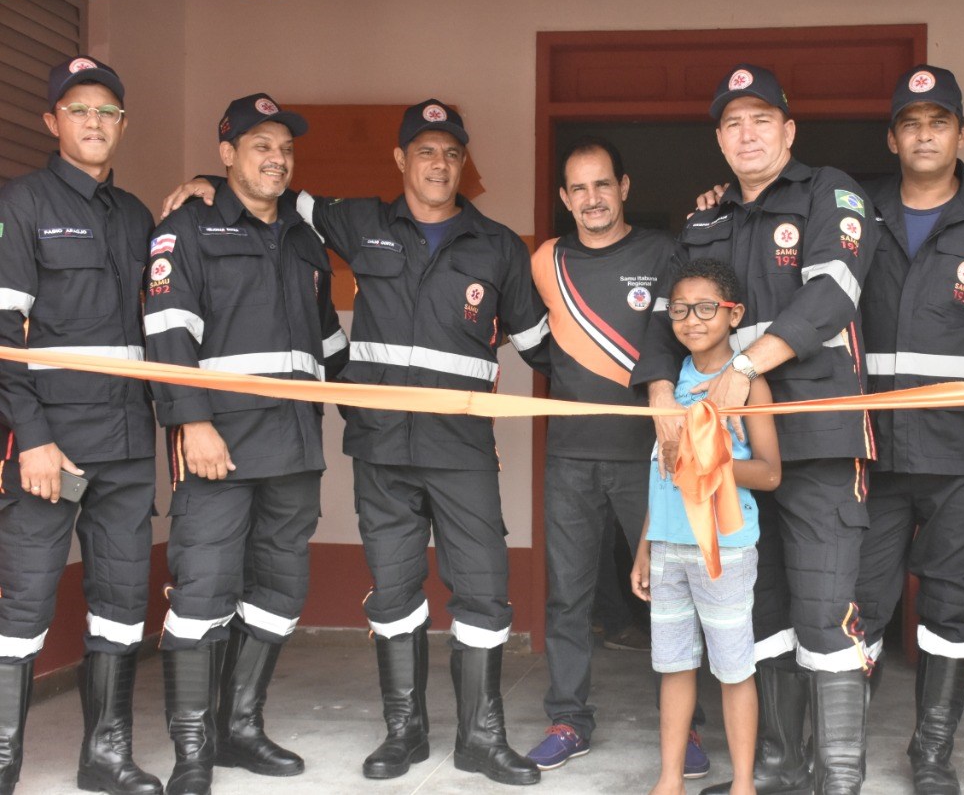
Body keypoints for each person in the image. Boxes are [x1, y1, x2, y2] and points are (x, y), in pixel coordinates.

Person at [162, 100, 547, 785]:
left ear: (465, 162)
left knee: (485, 590)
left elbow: (543, 347)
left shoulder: (498, 245)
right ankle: (405, 733)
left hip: (460, 450)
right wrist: (204, 180)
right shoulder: (355, 221)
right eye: (425, 152)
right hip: (379, 450)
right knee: (394, 591)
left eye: (451, 153)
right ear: (400, 160)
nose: (439, 164)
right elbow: (264, 188)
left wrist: (638, 389)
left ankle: (482, 738)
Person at [633, 63, 879, 795]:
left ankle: (837, 775)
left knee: (825, 606)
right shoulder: (706, 219)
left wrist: (745, 367)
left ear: (789, 130)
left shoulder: (829, 191)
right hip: (726, 456)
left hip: (817, 436)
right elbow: (665, 316)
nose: (748, 134)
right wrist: (658, 395)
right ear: (718, 138)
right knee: (757, 610)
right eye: (733, 123)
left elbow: (833, 293)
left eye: (762, 120)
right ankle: (773, 762)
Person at [144, 94, 347, 794]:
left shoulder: (301, 235)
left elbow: (327, 343)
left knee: (280, 590)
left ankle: (241, 727)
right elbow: (168, 332)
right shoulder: (188, 226)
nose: (276, 157)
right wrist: (191, 422)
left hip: (293, 446)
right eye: (260, 144)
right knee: (202, 589)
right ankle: (192, 749)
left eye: (285, 148)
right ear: (226, 153)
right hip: (218, 445)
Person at [853, 64, 964, 794]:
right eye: (910, 123)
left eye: (938, 122)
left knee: (954, 603)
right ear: (892, 136)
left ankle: (932, 751)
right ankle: (840, 752)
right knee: (855, 603)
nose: (924, 134)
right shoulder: (856, 208)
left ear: (963, 132)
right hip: (870, 448)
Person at [520, 138, 713, 775]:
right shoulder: (547, 260)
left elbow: (684, 333)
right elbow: (536, 345)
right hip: (571, 456)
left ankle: (684, 729)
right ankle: (568, 719)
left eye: (603, 185)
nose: (592, 199)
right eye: (578, 189)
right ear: (563, 198)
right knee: (568, 597)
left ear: (624, 187)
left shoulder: (663, 251)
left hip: (651, 458)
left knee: (671, 593)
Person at [0, 57, 162, 795]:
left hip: (126, 446)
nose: (94, 122)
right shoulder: (22, 203)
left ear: (123, 124)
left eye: (107, 111)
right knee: (24, 603)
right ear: (52, 122)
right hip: (51, 446)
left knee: (122, 603)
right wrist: (30, 435)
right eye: (78, 110)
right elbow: (3, 331)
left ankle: (105, 754)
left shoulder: (135, 217)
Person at [630, 258, 781, 795]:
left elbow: (769, 473)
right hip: (669, 544)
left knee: (734, 668)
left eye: (705, 308)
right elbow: (661, 471)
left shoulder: (747, 386)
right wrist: (646, 546)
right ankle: (669, 780)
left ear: (733, 313)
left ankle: (743, 784)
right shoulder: (667, 390)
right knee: (673, 666)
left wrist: (711, 461)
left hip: (726, 548)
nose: (691, 319)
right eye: (679, 309)